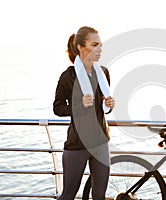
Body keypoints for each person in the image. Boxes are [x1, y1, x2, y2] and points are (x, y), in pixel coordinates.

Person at [53, 26, 115, 200]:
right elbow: (57, 108)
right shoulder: (68, 76)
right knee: (68, 195)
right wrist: (78, 105)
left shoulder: (103, 73)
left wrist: (109, 104)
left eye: (100, 45)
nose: (99, 49)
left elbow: (103, 107)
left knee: (99, 195)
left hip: (101, 141)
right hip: (77, 144)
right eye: (94, 44)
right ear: (80, 47)